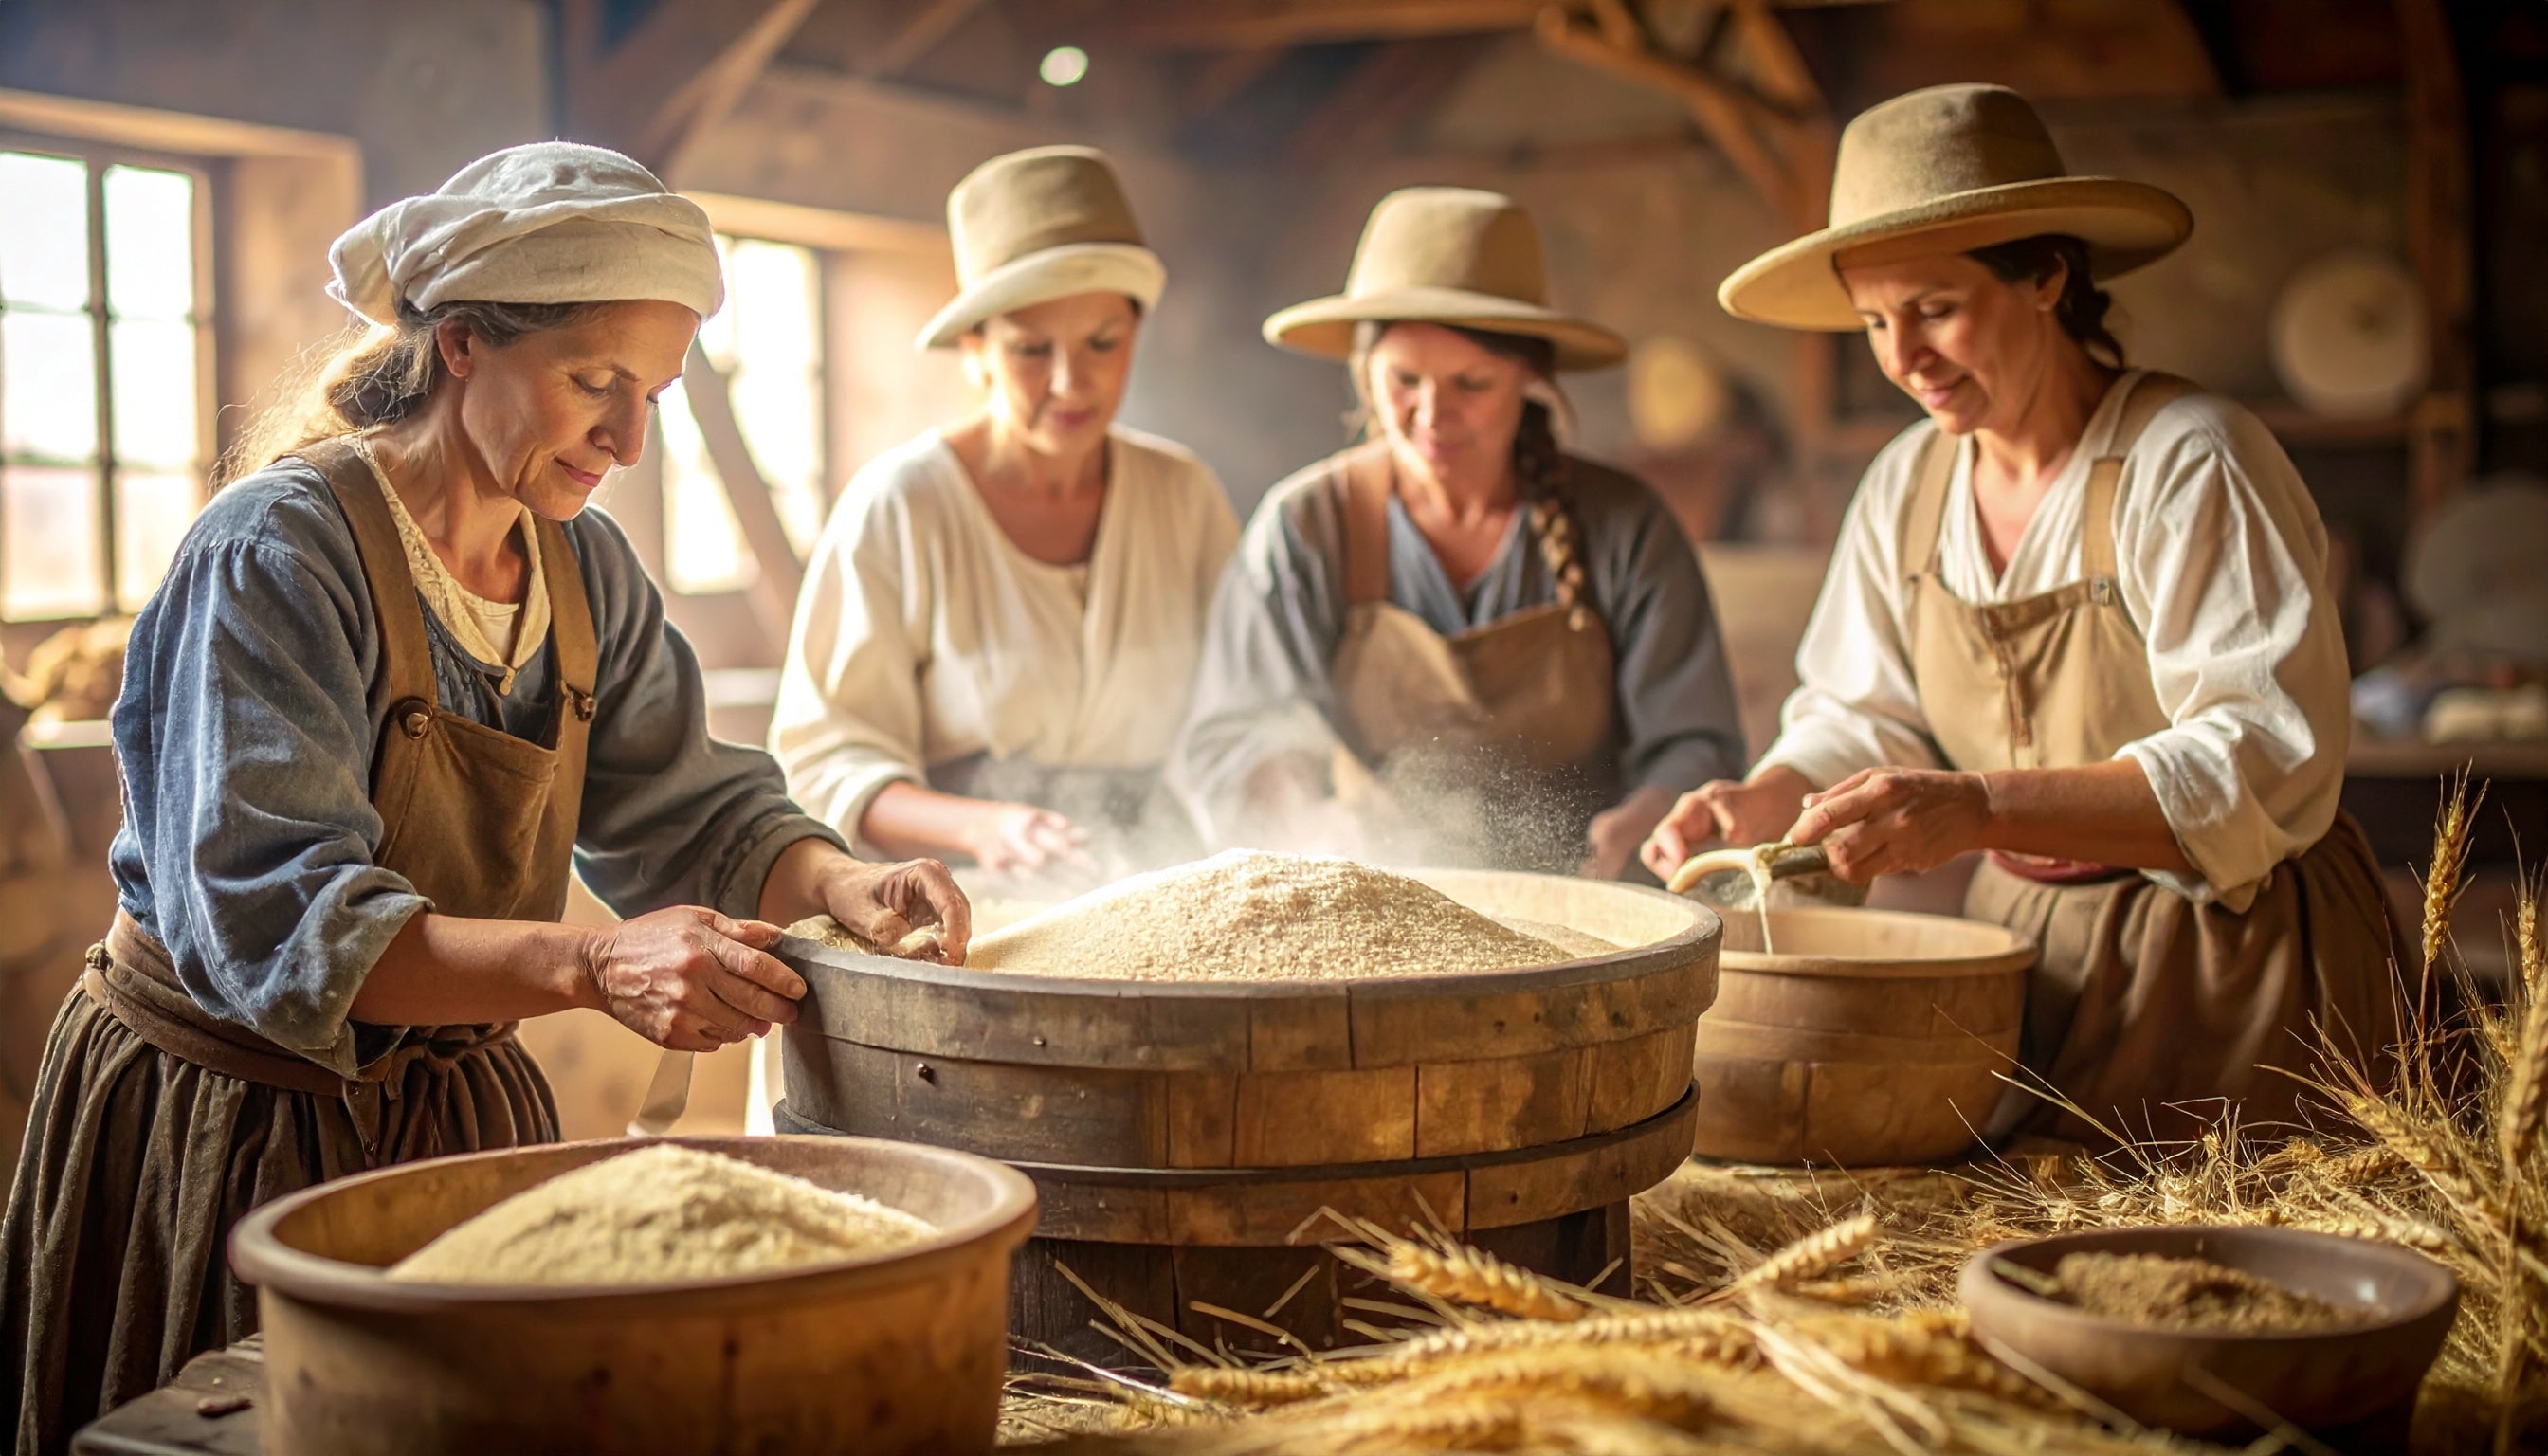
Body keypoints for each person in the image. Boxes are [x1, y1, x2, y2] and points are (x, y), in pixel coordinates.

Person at [0, 143, 966, 1453]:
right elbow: (285, 925)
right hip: (233, 1124)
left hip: (447, 1114)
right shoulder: (277, 556)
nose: (629, 439)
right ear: (460, 343)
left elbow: (692, 809)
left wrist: (843, 881)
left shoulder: (582, 570)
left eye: (654, 394)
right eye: (594, 383)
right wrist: (592, 965)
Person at [1642, 83, 2403, 1141]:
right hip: (2022, 952)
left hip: (2234, 962)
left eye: (1934, 309)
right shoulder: (1907, 486)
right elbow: (1864, 712)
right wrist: (1770, 799)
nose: (1902, 358)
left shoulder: (2189, 460)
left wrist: (1981, 806)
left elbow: (2259, 753)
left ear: (2047, 275)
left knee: (2229, 1232)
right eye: (1874, 322)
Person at [1174, 187, 1744, 877]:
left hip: (1594, 900)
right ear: (1363, 374)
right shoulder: (1308, 530)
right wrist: (1312, 825)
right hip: (1375, 893)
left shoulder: (1623, 528)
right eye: (1404, 379)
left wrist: (1645, 823)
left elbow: (1696, 745)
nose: (1432, 414)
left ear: (1529, 377)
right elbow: (1236, 739)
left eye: (1472, 383)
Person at [770, 147, 1237, 888]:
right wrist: (981, 826)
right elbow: (824, 762)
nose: (1071, 382)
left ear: (1135, 335)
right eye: (1031, 350)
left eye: (1102, 343)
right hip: (961, 892)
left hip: (1159, 876)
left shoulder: (1182, 496)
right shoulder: (901, 507)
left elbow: (1240, 707)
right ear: (976, 352)